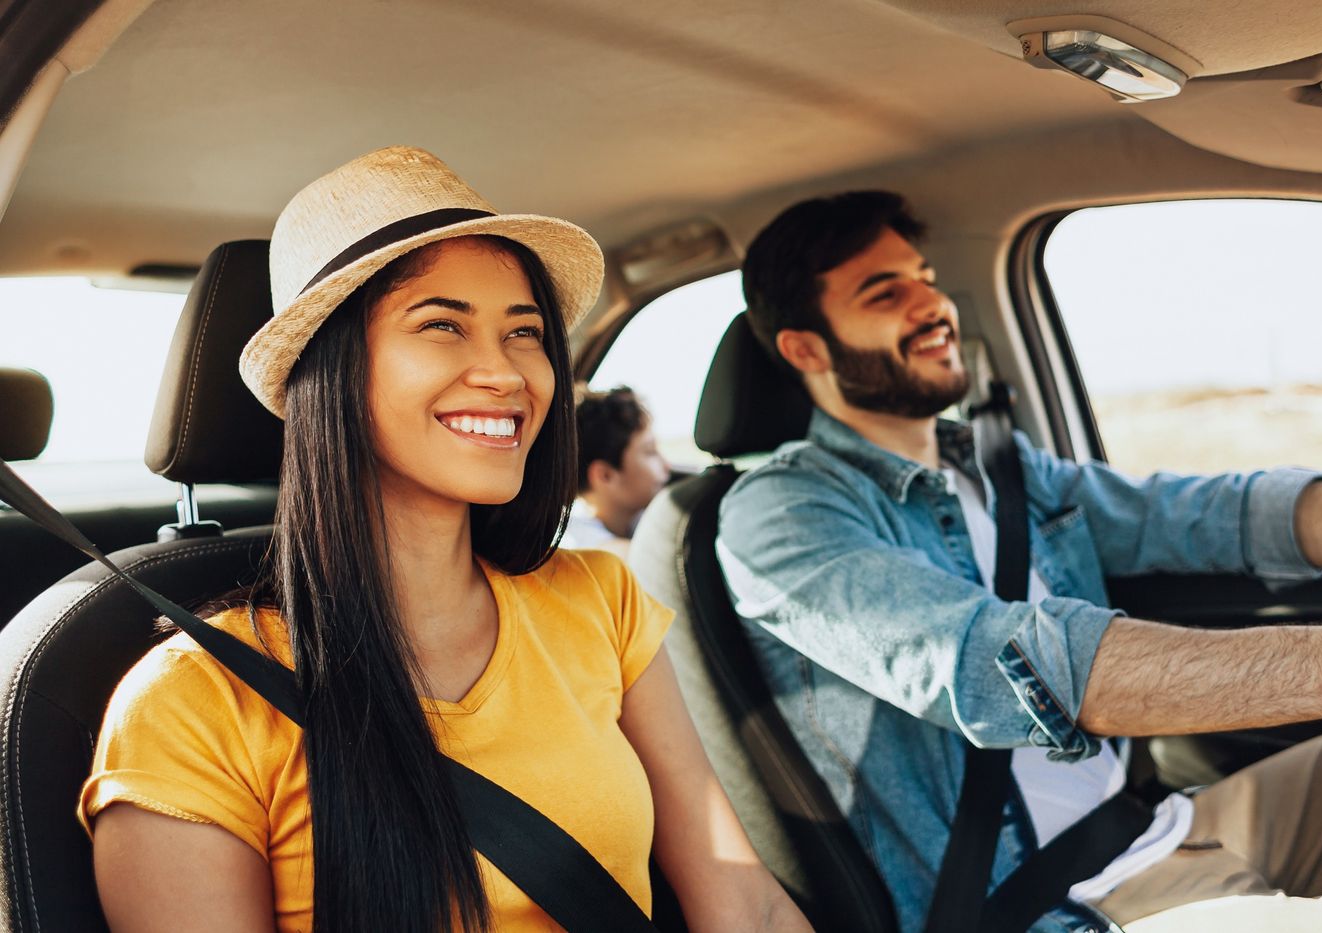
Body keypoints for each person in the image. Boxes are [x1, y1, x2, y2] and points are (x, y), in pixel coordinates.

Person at [79, 146, 811, 933]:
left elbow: (746, 903)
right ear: (329, 371)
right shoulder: (192, 703)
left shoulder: (601, 598)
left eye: (524, 332)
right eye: (442, 325)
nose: (505, 373)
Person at [716, 189, 1322, 932]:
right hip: (1050, 907)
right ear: (806, 348)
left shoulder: (1000, 466)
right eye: (886, 292)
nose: (934, 305)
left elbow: (1203, 513)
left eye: (926, 277)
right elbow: (1001, 661)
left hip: (1163, 825)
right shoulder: (781, 514)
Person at [562, 385, 670, 557]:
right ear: (605, 476)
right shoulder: (580, 544)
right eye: (650, 452)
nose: (667, 465)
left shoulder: (634, 521)